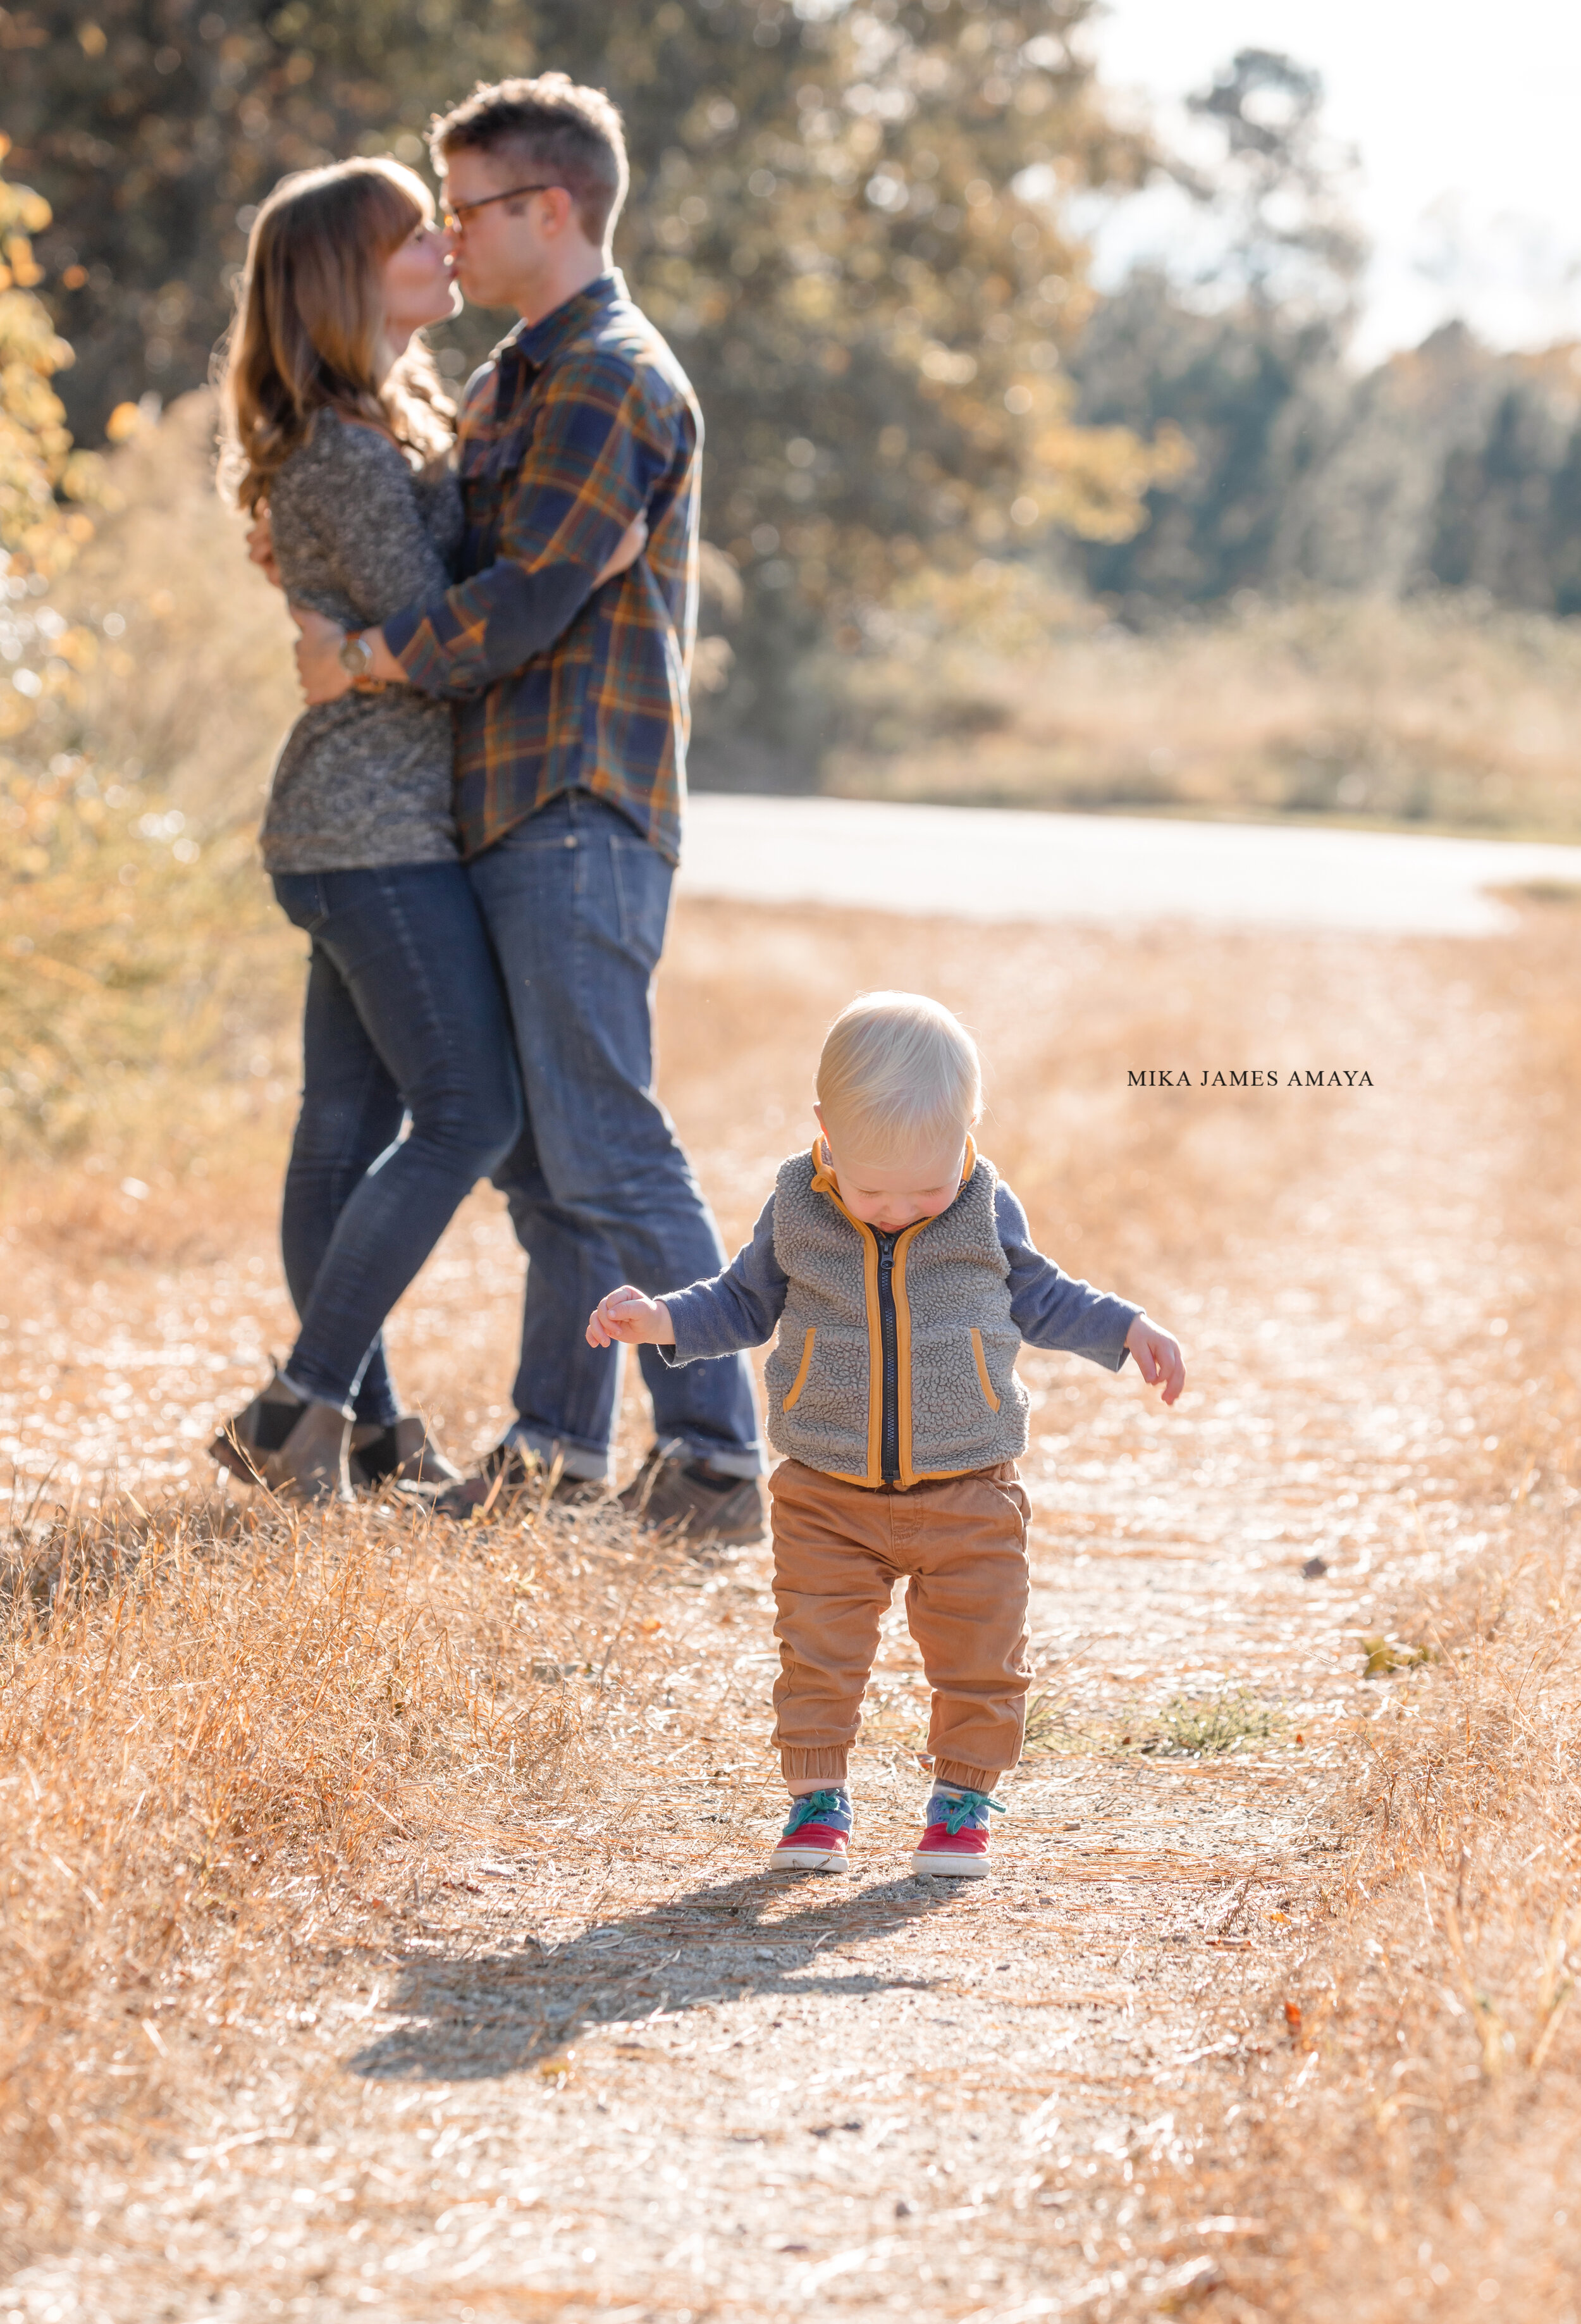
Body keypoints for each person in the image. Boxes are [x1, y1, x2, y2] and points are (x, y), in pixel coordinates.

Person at [290, 75, 766, 1543]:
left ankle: (716, 1456)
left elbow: (517, 607)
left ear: (547, 210)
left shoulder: (613, 372)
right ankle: (559, 1441)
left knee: (606, 1140)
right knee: (545, 1157)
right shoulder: (511, 379)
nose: (449, 232)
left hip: (577, 801)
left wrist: (362, 657)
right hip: (498, 807)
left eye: (468, 207)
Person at [211, 154, 644, 1502]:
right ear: (349, 273)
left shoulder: (378, 422)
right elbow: (439, 633)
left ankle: (373, 1430)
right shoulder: (342, 451)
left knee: (342, 1133)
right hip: (372, 824)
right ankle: (300, 1407)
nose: (445, 249)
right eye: (414, 236)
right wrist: (573, 565)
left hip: (366, 821)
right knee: (466, 1112)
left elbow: (399, 627)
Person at [585, 992, 1188, 1879]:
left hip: (967, 1485)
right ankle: (817, 1797)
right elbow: (742, 1300)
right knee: (817, 1649)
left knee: (983, 1647)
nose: (900, 1209)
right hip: (826, 1488)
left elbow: (1045, 1294)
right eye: (872, 1191)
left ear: (968, 1136)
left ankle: (963, 1799)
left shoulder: (984, 1204)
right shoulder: (796, 1202)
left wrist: (1126, 1328)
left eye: (926, 1188)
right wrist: (662, 1320)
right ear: (825, 1130)